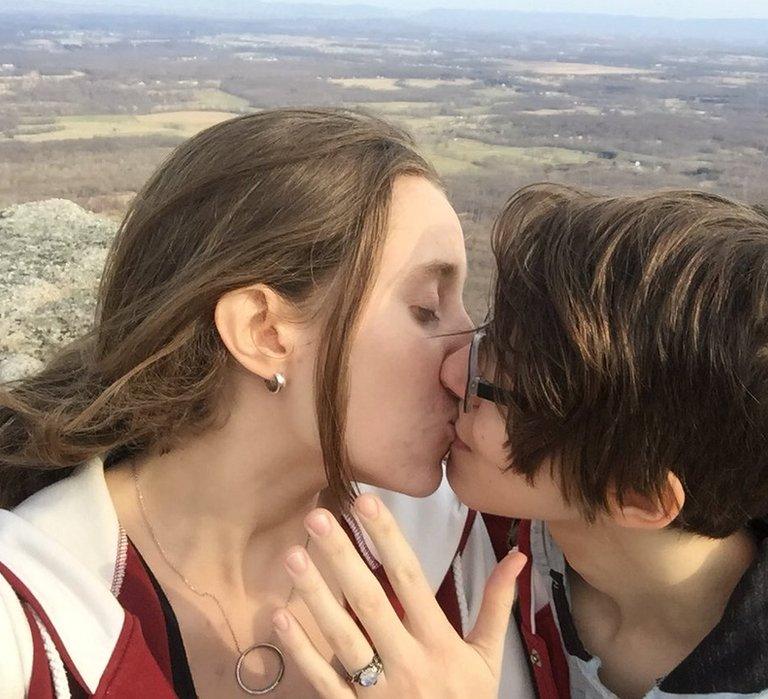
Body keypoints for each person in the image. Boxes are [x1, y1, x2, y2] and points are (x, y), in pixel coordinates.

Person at [0, 108, 534, 697]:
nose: (465, 364)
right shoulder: (28, 620)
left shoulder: (460, 548)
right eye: (427, 309)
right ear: (264, 332)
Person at [430, 185, 768, 698]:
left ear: (635, 494)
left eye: (495, 389)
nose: (454, 372)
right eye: (493, 337)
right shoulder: (489, 528)